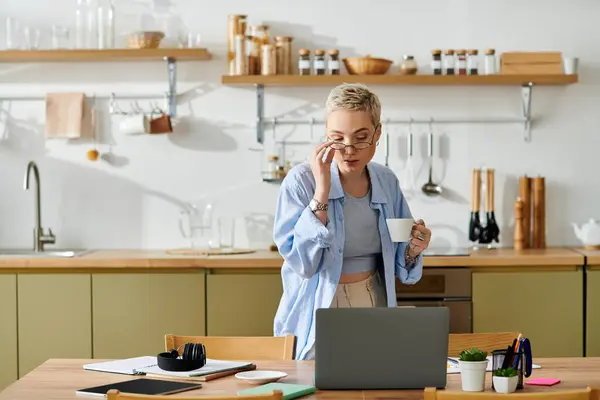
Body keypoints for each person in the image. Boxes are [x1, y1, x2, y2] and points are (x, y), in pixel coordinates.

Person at [272, 83, 432, 360]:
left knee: (373, 386)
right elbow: (302, 264)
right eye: (338, 138)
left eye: (361, 138)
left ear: (377, 133)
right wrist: (322, 190)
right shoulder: (301, 181)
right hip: (317, 303)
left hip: (373, 300)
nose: (349, 150)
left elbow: (400, 253)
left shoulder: (386, 181)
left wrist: (412, 248)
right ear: (326, 135)